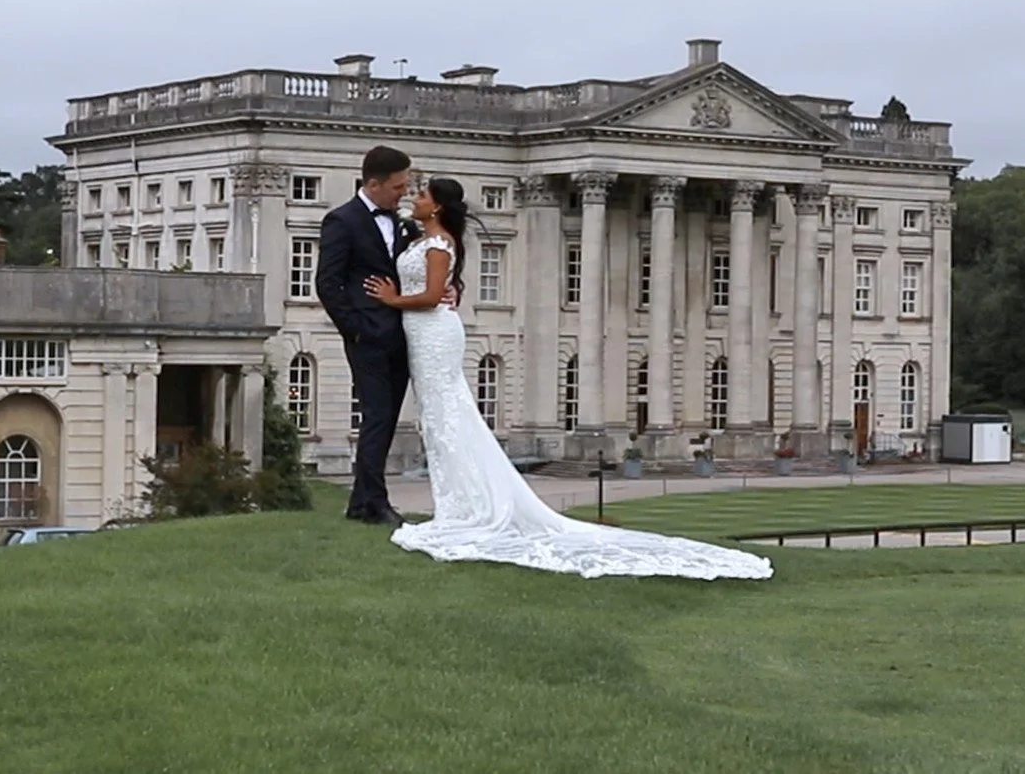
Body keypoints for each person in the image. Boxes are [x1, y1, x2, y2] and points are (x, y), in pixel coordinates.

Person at [364, 176, 772, 580]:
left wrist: (391, 299)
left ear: (436, 207)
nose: (413, 198)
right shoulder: (416, 238)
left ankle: (466, 510)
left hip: (433, 332)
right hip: (421, 333)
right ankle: (459, 505)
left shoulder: (439, 244)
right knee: (440, 422)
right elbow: (441, 288)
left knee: (449, 418)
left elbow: (434, 296)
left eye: (421, 194)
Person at [315, 145, 423, 527]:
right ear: (373, 184)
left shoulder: (402, 222)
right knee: (377, 415)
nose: (403, 194)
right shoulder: (342, 221)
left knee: (387, 417)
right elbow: (327, 284)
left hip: (404, 332)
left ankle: (360, 503)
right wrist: (356, 330)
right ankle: (376, 501)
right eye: (397, 187)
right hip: (368, 335)